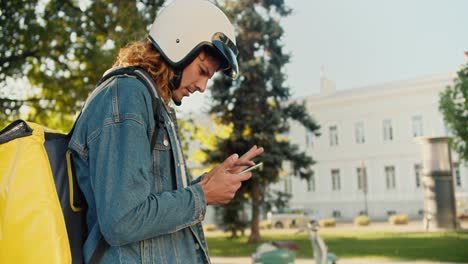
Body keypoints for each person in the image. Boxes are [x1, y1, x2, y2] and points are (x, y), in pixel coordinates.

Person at [68, 0, 264, 263]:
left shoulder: (151, 101)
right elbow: (122, 220)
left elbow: (151, 203)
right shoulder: (127, 97)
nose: (203, 87)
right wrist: (202, 195)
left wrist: (206, 184)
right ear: (178, 44)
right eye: (203, 71)